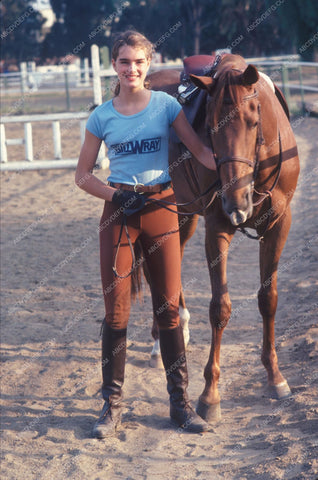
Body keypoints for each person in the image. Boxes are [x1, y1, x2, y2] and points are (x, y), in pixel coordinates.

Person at [75, 30, 216, 438]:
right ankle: (112, 406)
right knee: (116, 312)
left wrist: (231, 163)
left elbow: (199, 150)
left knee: (169, 310)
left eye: (138, 61)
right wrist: (116, 194)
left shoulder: (166, 106)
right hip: (120, 213)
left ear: (147, 64)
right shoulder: (102, 115)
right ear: (115, 66)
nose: (131, 69)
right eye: (124, 62)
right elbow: (83, 175)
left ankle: (181, 405)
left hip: (161, 208)